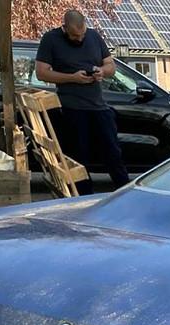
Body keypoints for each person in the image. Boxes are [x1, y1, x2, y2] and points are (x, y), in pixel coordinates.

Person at [35, 10, 130, 195]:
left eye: (82, 34)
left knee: (113, 153)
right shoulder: (51, 39)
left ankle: (125, 192)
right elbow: (42, 72)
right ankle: (84, 197)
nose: (79, 39)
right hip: (72, 108)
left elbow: (111, 65)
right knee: (79, 157)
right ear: (65, 28)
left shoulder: (94, 36)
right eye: (74, 36)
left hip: (99, 106)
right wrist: (72, 78)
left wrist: (102, 71)